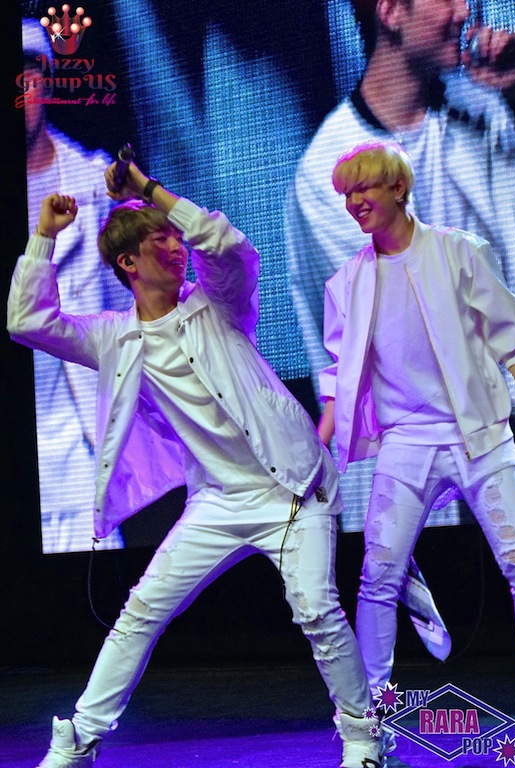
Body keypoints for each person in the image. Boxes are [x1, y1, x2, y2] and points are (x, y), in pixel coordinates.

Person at [7, 161, 384, 768]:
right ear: (128, 263)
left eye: (174, 234)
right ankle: (79, 739)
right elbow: (28, 322)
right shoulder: (114, 337)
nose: (176, 244)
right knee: (141, 611)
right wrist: (44, 236)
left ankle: (364, 740)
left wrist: (148, 191)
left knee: (317, 610)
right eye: (159, 239)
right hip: (218, 501)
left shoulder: (218, 302)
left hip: (293, 489)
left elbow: (226, 244)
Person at [285, 0, 515, 530]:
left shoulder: (486, 115)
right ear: (390, 12)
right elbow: (401, 334)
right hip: (416, 490)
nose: (464, 11)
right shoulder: (327, 171)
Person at [318, 139, 515, 734]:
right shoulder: (347, 283)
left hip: (481, 436)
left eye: (364, 188)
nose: (354, 201)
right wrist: (322, 442)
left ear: (398, 188)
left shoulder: (458, 251)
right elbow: (338, 374)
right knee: (377, 577)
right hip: (406, 444)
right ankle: (369, 709)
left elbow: (510, 333)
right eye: (346, 193)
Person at [22, 17, 128, 553]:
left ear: (44, 80)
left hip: (81, 465)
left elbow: (134, 319)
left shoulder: (92, 183)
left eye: (26, 75)